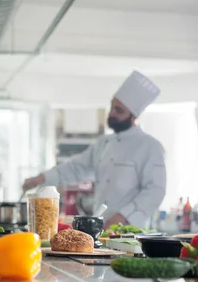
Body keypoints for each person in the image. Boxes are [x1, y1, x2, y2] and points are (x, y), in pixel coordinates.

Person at [22, 71, 166, 228]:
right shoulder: (103, 143)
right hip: (101, 227)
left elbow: (155, 191)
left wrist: (124, 216)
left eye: (119, 110)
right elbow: (75, 168)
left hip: (132, 230)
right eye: (112, 107)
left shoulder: (150, 147)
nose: (111, 113)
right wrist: (41, 179)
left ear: (133, 117)